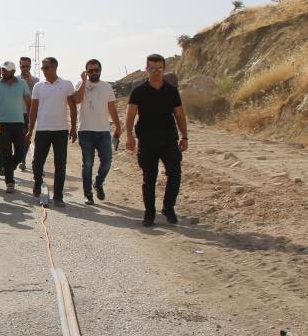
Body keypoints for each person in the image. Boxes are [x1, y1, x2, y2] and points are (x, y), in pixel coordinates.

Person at [125, 54, 188, 226]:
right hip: (146, 140)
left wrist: (185, 136)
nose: (156, 72)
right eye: (152, 68)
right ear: (147, 69)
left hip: (168, 138)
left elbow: (180, 114)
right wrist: (129, 136)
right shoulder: (139, 91)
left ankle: (168, 207)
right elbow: (130, 114)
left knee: (175, 174)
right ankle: (149, 213)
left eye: (159, 68)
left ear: (164, 69)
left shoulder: (171, 90)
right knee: (149, 178)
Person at [27, 56, 77, 207]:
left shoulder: (67, 84)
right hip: (42, 130)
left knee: (60, 164)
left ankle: (58, 196)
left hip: (60, 130)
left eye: (46, 67)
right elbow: (33, 109)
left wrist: (74, 128)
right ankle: (38, 183)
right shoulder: (38, 87)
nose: (43, 70)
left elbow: (73, 108)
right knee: (37, 162)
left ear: (55, 67)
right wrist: (30, 130)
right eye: (42, 68)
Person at [75, 58, 121, 205]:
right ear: (86, 71)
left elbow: (112, 108)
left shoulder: (107, 87)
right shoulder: (81, 84)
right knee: (87, 163)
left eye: (96, 70)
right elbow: (76, 100)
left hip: (103, 131)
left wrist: (118, 127)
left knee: (107, 161)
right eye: (90, 71)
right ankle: (88, 194)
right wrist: (83, 81)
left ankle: (98, 183)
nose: (94, 73)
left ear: (100, 71)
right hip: (86, 130)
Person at [0, 61, 30, 193]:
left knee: (21, 151)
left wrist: (30, 122)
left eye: (7, 71)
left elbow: (29, 103)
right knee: (5, 152)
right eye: (3, 70)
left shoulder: (22, 83)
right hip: (1, 123)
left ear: (13, 72)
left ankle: (9, 167)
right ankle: (10, 182)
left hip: (19, 123)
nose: (4, 73)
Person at [17, 56, 37, 171]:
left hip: (29, 114)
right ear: (19, 66)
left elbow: (37, 92)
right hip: (16, 114)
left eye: (27, 66)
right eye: (23, 66)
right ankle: (19, 158)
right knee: (18, 139)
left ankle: (23, 160)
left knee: (27, 137)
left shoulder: (36, 80)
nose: (25, 68)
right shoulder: (14, 79)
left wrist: (29, 80)